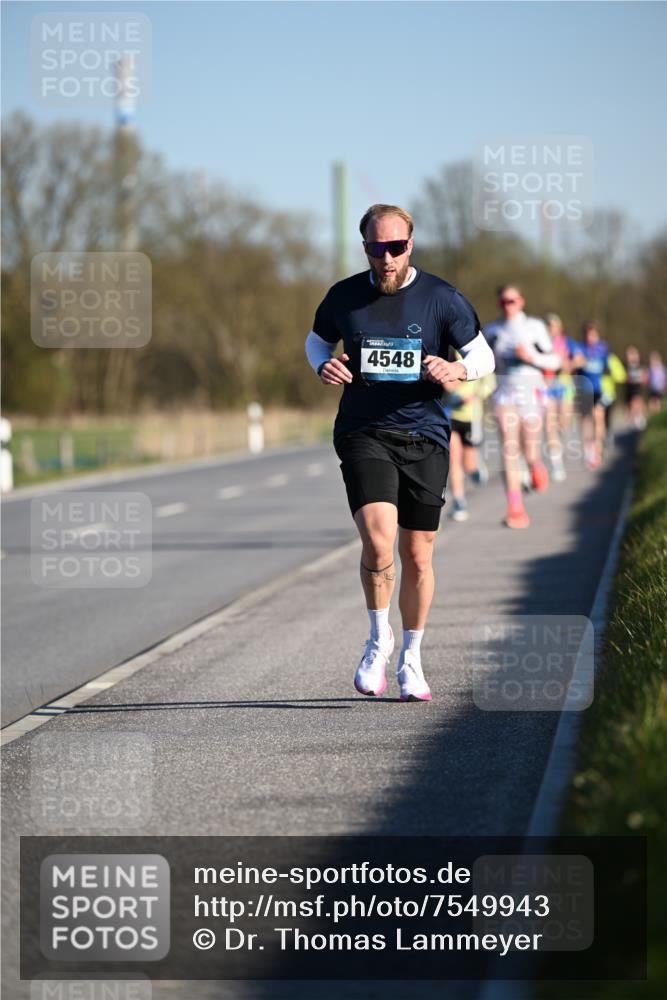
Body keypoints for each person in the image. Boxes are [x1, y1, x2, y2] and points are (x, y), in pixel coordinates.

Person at [305, 204, 494, 702]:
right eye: (376, 247)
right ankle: (377, 639)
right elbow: (315, 341)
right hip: (364, 430)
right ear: (364, 246)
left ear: (411, 245)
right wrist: (323, 365)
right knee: (380, 539)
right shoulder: (344, 296)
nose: (386, 257)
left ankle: (411, 656)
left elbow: (482, 355)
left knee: (418, 555)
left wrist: (459, 372)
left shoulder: (442, 299)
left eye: (396, 247)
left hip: (425, 436)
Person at [484, 285, 561, 529]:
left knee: (529, 452)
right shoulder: (492, 331)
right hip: (505, 393)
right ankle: (515, 507)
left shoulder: (535, 327)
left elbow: (555, 360)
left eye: (512, 301)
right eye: (504, 302)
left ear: (521, 301)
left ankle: (536, 466)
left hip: (532, 393)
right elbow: (482, 362)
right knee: (509, 445)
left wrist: (531, 358)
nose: (508, 305)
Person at [444, 358, 496, 521]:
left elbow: (489, 382)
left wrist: (475, 395)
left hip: (471, 416)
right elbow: (445, 381)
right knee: (454, 459)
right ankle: (459, 501)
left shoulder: (476, 352)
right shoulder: (448, 351)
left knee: (468, 464)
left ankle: (474, 470)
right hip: (450, 414)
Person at [571, 322, 611, 469]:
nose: (590, 337)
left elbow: (607, 368)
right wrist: (577, 363)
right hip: (584, 389)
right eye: (587, 334)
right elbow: (572, 366)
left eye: (593, 334)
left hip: (598, 389)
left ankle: (598, 447)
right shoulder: (579, 348)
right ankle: (588, 449)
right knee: (586, 421)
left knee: (598, 417)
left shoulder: (603, 348)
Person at [543, 313, 577, 482]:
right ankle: (557, 464)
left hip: (564, 385)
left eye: (553, 325)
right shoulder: (541, 342)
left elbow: (580, 359)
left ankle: (562, 438)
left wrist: (567, 365)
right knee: (550, 426)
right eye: (548, 325)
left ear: (559, 327)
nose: (551, 328)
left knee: (563, 422)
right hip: (547, 386)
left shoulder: (567, 341)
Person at [624, 346, 647, 429]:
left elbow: (644, 379)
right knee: (631, 407)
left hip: (637, 390)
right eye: (630, 355)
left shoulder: (641, 367)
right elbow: (625, 378)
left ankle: (639, 421)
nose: (632, 357)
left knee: (637, 403)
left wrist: (642, 379)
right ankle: (632, 424)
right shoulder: (626, 367)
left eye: (634, 354)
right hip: (629, 390)